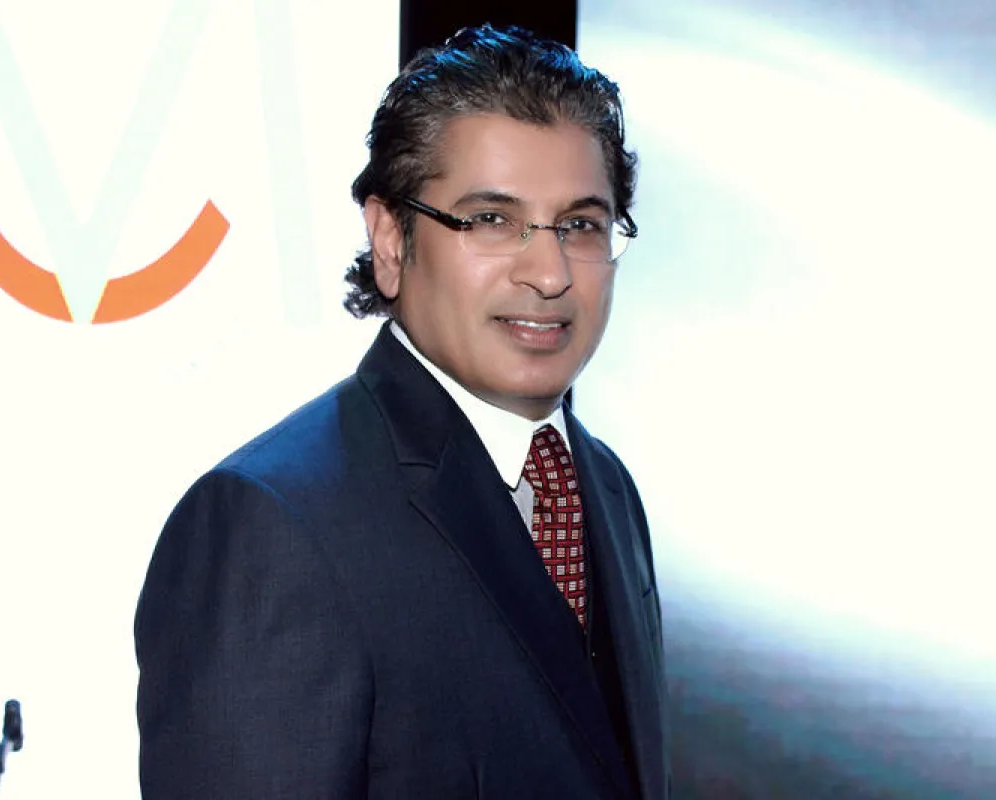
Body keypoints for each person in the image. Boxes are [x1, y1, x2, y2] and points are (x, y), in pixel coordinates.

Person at [135, 24, 668, 799]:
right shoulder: (272, 525)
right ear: (390, 240)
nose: (550, 271)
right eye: (491, 220)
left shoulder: (608, 488)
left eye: (580, 224)